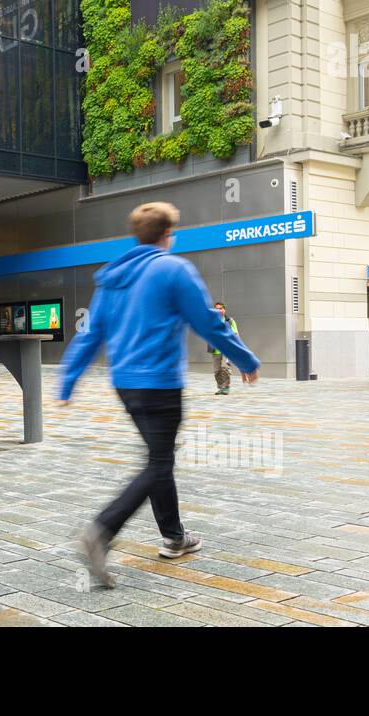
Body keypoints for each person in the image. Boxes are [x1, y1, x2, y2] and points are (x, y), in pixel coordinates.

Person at [57, 202, 260, 586]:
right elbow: (208, 323)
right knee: (158, 463)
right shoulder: (173, 269)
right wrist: (245, 359)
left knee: (158, 458)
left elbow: (92, 333)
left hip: (125, 385)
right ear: (168, 235)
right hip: (160, 383)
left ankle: (174, 536)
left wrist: (68, 379)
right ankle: (100, 532)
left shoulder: (114, 277)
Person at [209, 302, 239, 395]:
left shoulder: (229, 321)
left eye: (220, 308)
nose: (219, 310)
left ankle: (226, 387)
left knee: (225, 368)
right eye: (216, 309)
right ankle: (220, 387)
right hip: (215, 349)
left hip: (227, 349)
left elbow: (236, 334)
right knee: (216, 370)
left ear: (224, 310)